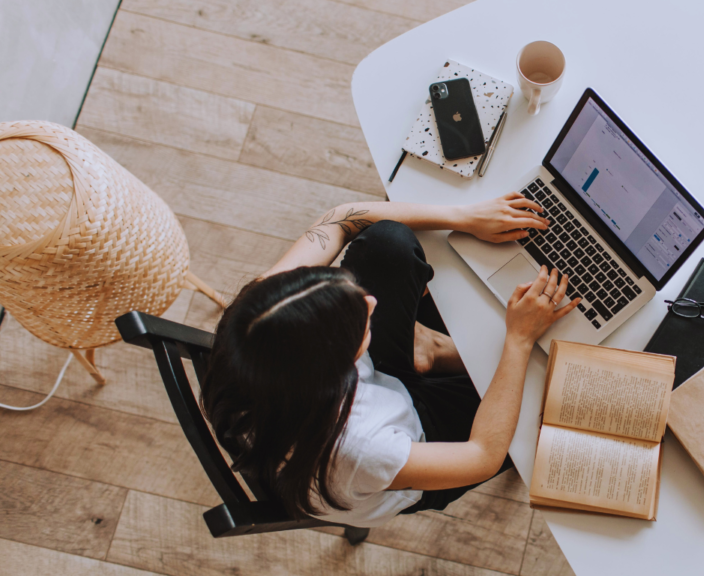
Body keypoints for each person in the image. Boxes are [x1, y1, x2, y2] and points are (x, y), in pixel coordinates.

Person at [200, 192, 581, 528]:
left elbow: (339, 219)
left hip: (354, 399)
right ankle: (430, 351)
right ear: (338, 370)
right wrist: (517, 340)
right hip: (416, 445)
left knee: (386, 241)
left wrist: (464, 216)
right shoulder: (362, 449)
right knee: (547, 400)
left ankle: (426, 351)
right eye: (358, 324)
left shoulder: (261, 315)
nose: (370, 302)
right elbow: (482, 455)